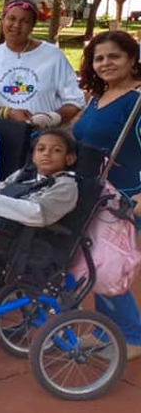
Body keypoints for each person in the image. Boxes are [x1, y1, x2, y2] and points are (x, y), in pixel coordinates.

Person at [73, 30, 141, 359]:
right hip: (93, 194)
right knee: (93, 261)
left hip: (124, 198)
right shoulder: (97, 98)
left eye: (114, 56)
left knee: (107, 264)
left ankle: (132, 337)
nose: (105, 63)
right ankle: (105, 330)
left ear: (132, 60)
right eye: (99, 58)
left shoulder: (137, 101)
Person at [0, 0, 84, 128]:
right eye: (11, 18)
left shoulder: (53, 55)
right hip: (3, 134)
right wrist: (7, 113)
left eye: (25, 21)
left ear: (32, 26)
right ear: (3, 20)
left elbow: (75, 100)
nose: (16, 25)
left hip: (44, 136)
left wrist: (50, 119)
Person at [0, 129, 78, 227]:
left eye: (56, 150)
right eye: (41, 149)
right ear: (33, 156)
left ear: (70, 159)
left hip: (27, 241)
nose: (46, 153)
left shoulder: (66, 185)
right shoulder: (23, 174)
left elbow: (37, 214)